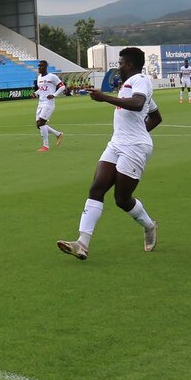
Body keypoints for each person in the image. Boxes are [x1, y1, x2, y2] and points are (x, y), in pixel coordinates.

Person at [56, 47, 161, 260]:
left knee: (122, 200)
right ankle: (82, 243)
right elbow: (156, 116)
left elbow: (138, 103)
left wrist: (105, 98)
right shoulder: (128, 85)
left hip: (134, 148)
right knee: (96, 188)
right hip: (116, 144)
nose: (119, 67)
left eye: (121, 63)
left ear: (130, 65)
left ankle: (149, 226)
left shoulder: (141, 80)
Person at [33, 60, 66, 152]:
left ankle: (45, 146)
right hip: (40, 103)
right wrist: (35, 93)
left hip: (48, 103)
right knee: (38, 125)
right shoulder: (39, 77)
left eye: (41, 66)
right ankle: (58, 134)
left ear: (46, 67)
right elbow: (41, 89)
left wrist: (54, 95)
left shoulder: (52, 76)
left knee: (41, 123)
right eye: (39, 66)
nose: (39, 67)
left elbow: (62, 86)